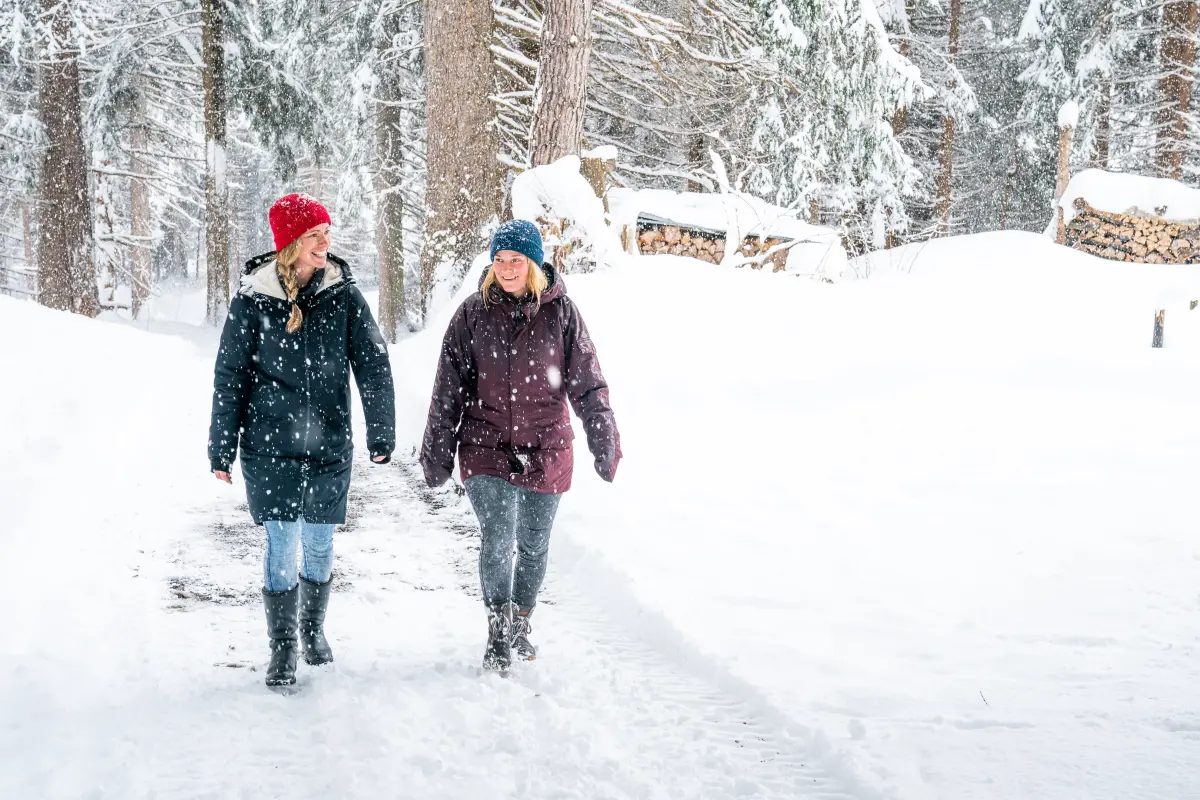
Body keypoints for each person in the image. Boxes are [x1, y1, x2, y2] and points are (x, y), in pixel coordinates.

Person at [208, 193, 396, 687]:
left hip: (328, 444)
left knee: (318, 541)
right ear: (291, 243)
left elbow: (373, 364)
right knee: (282, 542)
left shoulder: (342, 293)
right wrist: (221, 447)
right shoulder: (253, 299)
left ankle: (312, 628)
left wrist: (381, 430)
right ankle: (283, 645)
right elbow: (230, 377)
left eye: (326, 234)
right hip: (269, 446)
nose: (324, 243)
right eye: (314, 235)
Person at [421, 219, 621, 671]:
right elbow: (448, 389)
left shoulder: (562, 314)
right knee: (498, 536)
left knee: (533, 544)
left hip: (547, 448)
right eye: (500, 260)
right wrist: (437, 452)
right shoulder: (472, 314)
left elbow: (588, 383)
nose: (507, 268)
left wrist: (603, 437)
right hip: (485, 446)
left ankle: (520, 623)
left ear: (534, 263)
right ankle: (497, 629)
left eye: (516, 260)